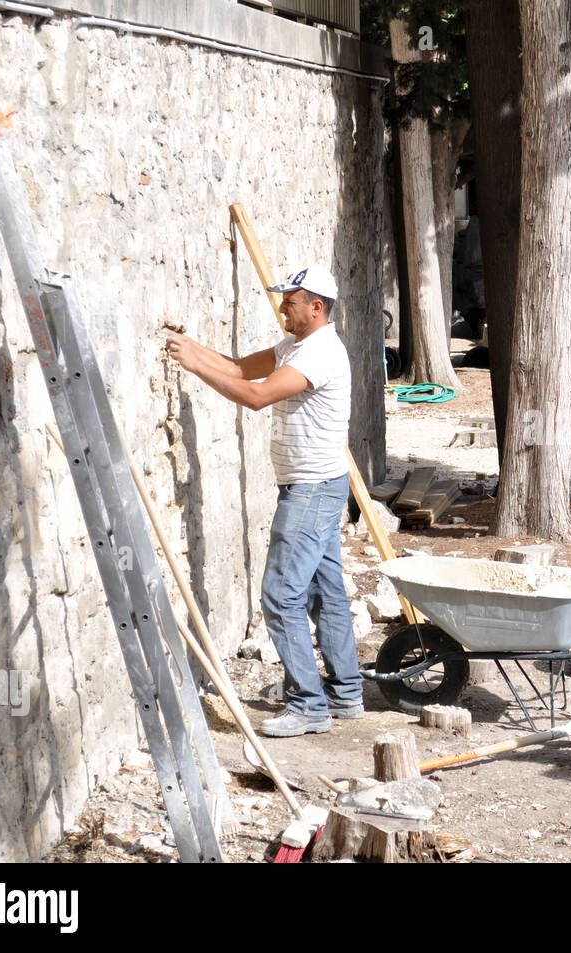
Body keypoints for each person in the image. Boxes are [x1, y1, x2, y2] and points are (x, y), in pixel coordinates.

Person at [163, 265, 365, 738]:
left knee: (280, 596)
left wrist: (193, 366)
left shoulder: (320, 354)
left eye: (290, 303)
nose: (282, 309)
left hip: (311, 490)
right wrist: (192, 349)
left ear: (316, 308)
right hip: (316, 486)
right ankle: (345, 693)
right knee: (324, 590)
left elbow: (256, 397)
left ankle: (309, 706)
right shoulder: (295, 345)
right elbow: (238, 369)